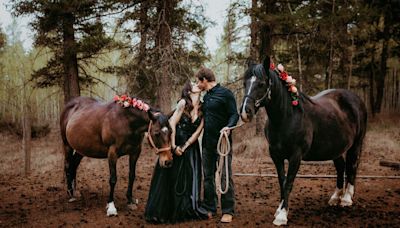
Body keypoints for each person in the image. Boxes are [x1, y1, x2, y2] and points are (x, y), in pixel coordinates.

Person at [145, 80, 208, 224]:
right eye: (193, 84)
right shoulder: (183, 104)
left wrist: (185, 146)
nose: (197, 84)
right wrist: (174, 146)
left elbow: (198, 132)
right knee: (172, 177)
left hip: (190, 146)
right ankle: (169, 210)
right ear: (188, 90)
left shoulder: (203, 108)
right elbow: (172, 123)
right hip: (176, 141)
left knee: (190, 177)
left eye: (198, 83)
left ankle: (185, 209)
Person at [195, 67, 239, 223]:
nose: (197, 84)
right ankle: (210, 207)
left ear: (204, 80)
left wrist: (229, 127)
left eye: (197, 81)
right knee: (207, 176)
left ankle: (228, 210)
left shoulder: (226, 93)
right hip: (207, 143)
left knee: (225, 175)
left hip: (223, 143)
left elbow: (235, 114)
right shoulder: (206, 97)